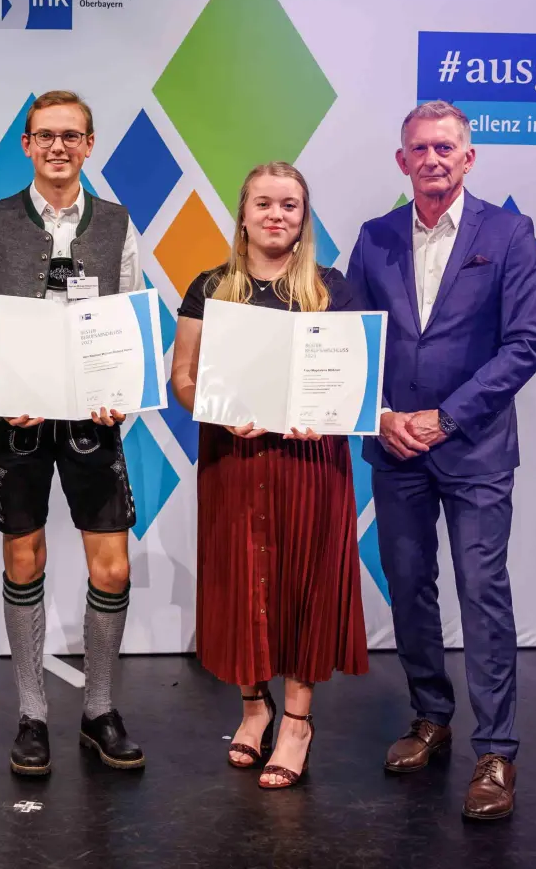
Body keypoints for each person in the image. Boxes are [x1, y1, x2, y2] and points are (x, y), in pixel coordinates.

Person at [345, 100, 536, 820]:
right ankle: (431, 716)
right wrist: (382, 416)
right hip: (395, 445)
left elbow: (527, 342)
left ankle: (496, 751)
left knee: (482, 589)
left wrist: (448, 416)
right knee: (408, 585)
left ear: (468, 157)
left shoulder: (509, 233)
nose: (432, 159)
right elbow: (352, 340)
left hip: (474, 446)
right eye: (420, 149)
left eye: (445, 147)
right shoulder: (374, 238)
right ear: (402, 160)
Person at [169, 161, 368, 790]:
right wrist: (218, 411)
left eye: (289, 205)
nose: (276, 215)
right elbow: (183, 379)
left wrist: (326, 414)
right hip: (233, 460)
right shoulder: (210, 287)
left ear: (304, 218)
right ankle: (254, 709)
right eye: (264, 204)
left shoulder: (332, 289)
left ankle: (297, 724)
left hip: (310, 463)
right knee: (241, 582)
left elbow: (353, 383)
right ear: (243, 214)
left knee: (304, 584)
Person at [0, 90, 145, 776]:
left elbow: (128, 322)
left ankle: (99, 710)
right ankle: (32, 714)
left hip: (91, 420)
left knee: (113, 565)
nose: (58, 147)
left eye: (72, 135)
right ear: (26, 144)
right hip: (15, 421)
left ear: (90, 144)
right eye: (45, 135)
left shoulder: (118, 223)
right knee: (25, 558)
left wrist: (120, 396)